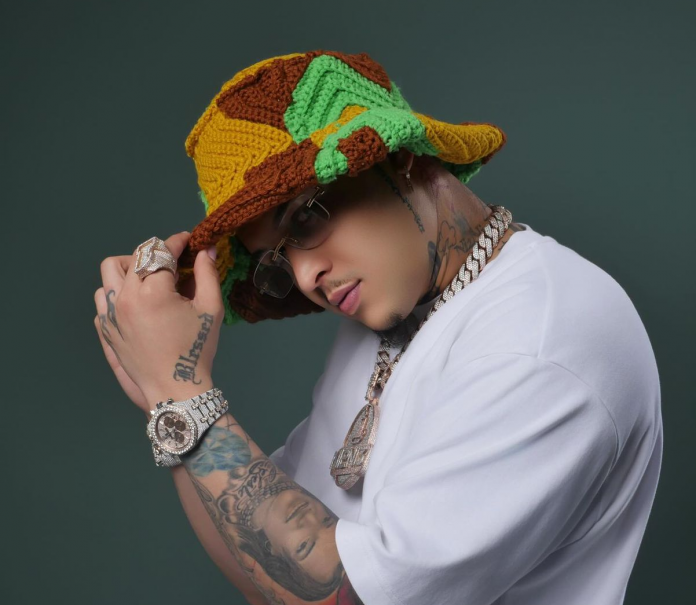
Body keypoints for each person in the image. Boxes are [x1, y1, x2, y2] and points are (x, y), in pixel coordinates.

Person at [94, 50, 663, 604]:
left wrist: (182, 392)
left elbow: (344, 594)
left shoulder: (539, 340)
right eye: (276, 261)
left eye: (305, 218)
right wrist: (162, 398)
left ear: (399, 156)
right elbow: (269, 573)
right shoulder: (397, 312)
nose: (306, 276)